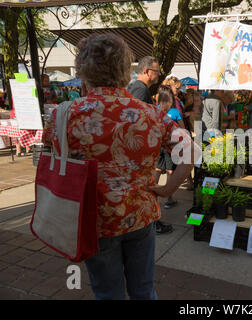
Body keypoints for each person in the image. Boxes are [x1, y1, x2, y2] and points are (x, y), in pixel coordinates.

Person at [42, 33, 194, 300]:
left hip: (94, 220)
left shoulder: (63, 115)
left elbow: (52, 155)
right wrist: (170, 187)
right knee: (144, 290)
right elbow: (190, 149)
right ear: (125, 69)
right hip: (140, 215)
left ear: (82, 70)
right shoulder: (152, 114)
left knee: (108, 293)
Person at [127, 56, 173, 234]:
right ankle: (153, 222)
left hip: (138, 149)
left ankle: (151, 221)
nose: (159, 75)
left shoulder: (137, 88)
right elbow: (135, 121)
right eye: (157, 71)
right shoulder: (140, 90)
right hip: (139, 150)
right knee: (147, 188)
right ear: (146, 71)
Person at [154, 85, 185, 209]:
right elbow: (182, 128)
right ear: (171, 99)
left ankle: (153, 196)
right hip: (171, 145)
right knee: (170, 170)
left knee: (157, 169)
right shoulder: (175, 112)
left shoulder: (154, 110)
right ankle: (169, 198)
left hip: (158, 144)